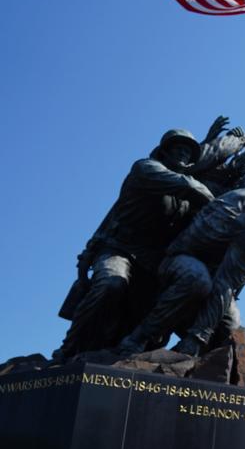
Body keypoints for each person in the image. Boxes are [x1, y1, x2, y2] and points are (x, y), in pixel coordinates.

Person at [53, 129, 215, 360]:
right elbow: (186, 184)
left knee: (148, 310)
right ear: (164, 152)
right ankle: (67, 348)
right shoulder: (146, 169)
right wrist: (216, 202)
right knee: (110, 283)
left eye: (188, 151)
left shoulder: (183, 199)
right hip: (120, 248)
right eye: (177, 148)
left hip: (150, 260)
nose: (182, 153)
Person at [117, 175, 245, 356]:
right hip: (179, 259)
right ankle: (138, 339)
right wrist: (198, 337)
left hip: (216, 271)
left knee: (231, 328)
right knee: (196, 280)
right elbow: (225, 284)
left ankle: (196, 367)